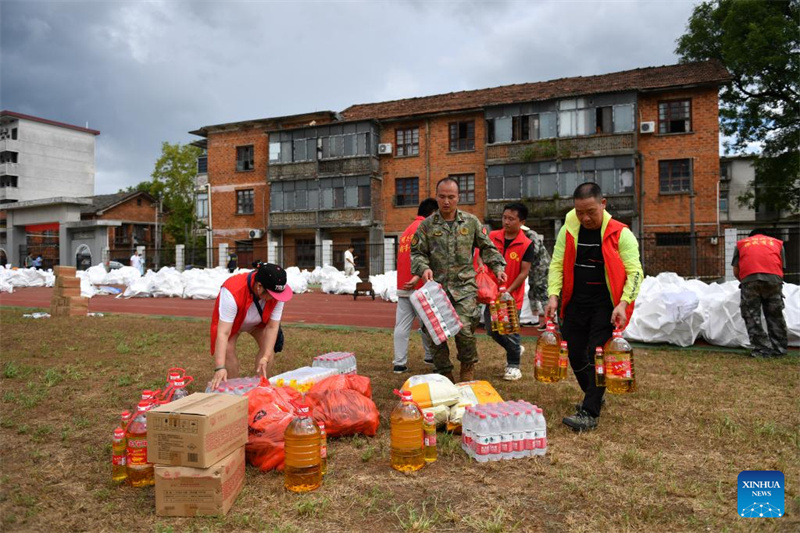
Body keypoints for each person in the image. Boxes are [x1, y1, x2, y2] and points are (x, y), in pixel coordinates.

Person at [545, 182, 642, 432]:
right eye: (580, 212)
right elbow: (556, 263)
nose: (585, 218)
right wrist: (553, 295)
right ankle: (595, 394)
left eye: (590, 211)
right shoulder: (569, 230)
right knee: (574, 353)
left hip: (606, 305)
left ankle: (589, 413)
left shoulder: (621, 234)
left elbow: (635, 273)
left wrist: (623, 303)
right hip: (576, 302)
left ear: (603, 204)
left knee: (596, 354)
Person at [411, 177, 507, 383]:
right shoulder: (426, 226)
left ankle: (467, 366)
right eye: (442, 197)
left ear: (458, 198)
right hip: (436, 289)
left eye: (451, 197)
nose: (446, 201)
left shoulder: (471, 222)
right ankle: (444, 372)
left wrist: (497, 267)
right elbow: (417, 253)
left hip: (464, 288)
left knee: (464, 330)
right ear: (436, 197)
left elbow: (487, 247)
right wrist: (424, 268)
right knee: (435, 333)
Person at [209, 262, 292, 390]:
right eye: (271, 295)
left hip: (258, 323)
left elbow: (272, 327)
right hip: (233, 324)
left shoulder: (278, 292)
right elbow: (223, 332)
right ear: (259, 286)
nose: (275, 298)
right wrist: (220, 367)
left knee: (268, 350)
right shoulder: (232, 291)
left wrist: (266, 356)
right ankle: (231, 388)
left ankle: (261, 387)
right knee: (228, 350)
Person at [479, 203, 534, 381]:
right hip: (491, 295)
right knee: (491, 330)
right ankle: (516, 348)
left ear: (521, 222)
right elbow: (480, 255)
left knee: (509, 331)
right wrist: (481, 269)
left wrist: (508, 290)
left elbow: (524, 272)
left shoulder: (526, 244)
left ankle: (513, 366)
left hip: (511, 297)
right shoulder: (493, 236)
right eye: (504, 217)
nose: (507, 222)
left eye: (511, 219)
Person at [392, 198, 438, 374]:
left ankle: (399, 363)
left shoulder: (406, 231)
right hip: (421, 284)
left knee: (402, 325)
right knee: (429, 324)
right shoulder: (426, 228)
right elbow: (427, 256)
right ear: (432, 213)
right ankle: (431, 356)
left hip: (404, 285)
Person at [732, 229, 788, 358]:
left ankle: (761, 349)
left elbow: (736, 270)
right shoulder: (777, 243)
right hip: (774, 280)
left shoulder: (742, 244)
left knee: (752, 315)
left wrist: (746, 282)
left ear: (750, 236)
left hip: (750, 280)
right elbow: (781, 267)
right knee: (775, 315)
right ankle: (779, 349)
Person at [522, 225, 551, 330]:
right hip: (533, 269)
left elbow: (534, 251)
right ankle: (534, 319)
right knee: (532, 293)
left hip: (541, 268)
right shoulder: (523, 236)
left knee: (543, 293)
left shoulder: (531, 235)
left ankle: (549, 322)